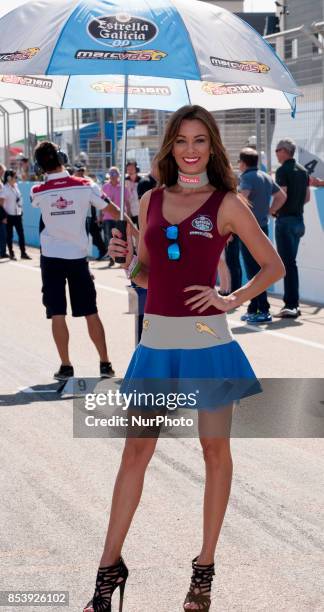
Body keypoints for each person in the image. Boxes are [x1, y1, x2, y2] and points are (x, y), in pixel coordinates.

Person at [83, 105, 285, 612]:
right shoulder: (149, 200)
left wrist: (232, 298)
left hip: (208, 344)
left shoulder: (228, 203)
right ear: (169, 147)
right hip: (155, 345)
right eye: (181, 141)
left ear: (212, 148)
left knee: (214, 452)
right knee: (135, 455)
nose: (190, 150)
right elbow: (149, 275)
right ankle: (108, 571)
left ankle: (204, 569)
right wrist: (128, 264)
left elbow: (272, 265)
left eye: (200, 141)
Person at [30, 141, 122, 381]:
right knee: (91, 311)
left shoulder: (38, 192)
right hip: (78, 258)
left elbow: (38, 200)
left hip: (51, 258)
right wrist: (134, 229)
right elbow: (112, 209)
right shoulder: (85, 185)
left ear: (40, 166)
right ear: (62, 157)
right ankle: (105, 363)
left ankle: (66, 365)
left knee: (57, 313)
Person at [238, 147, 287, 323]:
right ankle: (256, 307)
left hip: (249, 231)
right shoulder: (266, 177)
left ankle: (261, 308)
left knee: (253, 272)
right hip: (263, 228)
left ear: (243, 163)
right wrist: (268, 212)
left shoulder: (246, 178)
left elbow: (241, 200)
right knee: (261, 269)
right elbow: (281, 196)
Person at [275, 138, 310, 318]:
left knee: (287, 264)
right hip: (298, 220)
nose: (275, 154)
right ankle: (292, 303)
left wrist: (273, 211)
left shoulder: (282, 170)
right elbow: (307, 197)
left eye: (277, 150)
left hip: (286, 220)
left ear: (283, 151)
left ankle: (291, 304)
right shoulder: (303, 171)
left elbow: (282, 195)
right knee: (290, 263)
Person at [73, 164, 107, 261]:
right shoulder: (72, 181)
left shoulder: (88, 181)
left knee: (93, 236)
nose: (80, 173)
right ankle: (103, 251)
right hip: (79, 215)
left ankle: (103, 251)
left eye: (82, 171)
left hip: (89, 214)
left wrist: (97, 216)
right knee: (89, 236)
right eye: (79, 171)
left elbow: (98, 199)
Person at [102, 167, 131, 267]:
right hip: (107, 217)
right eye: (111, 174)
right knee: (108, 238)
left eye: (115, 174)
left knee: (121, 238)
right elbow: (101, 203)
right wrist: (99, 216)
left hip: (121, 217)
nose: (113, 177)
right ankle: (111, 257)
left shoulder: (123, 187)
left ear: (118, 175)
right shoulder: (105, 187)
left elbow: (127, 202)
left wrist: (129, 215)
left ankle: (122, 258)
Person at [0, 169, 31, 260]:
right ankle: (11, 254)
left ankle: (23, 253)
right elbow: (0, 204)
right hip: (9, 216)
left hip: (18, 214)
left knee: (21, 234)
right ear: (9, 178)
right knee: (10, 236)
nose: (16, 178)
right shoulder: (4, 189)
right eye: (15, 177)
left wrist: (21, 211)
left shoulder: (16, 186)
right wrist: (3, 216)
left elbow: (19, 199)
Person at [125, 160, 141, 227]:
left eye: (132, 169)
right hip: (128, 212)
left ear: (136, 169)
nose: (130, 171)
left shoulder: (142, 181)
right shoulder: (124, 181)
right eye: (128, 169)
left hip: (139, 211)